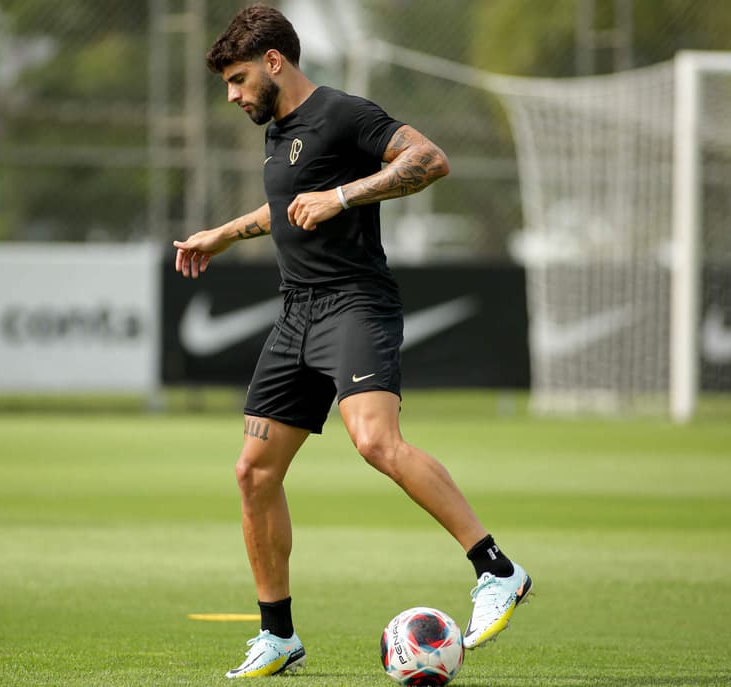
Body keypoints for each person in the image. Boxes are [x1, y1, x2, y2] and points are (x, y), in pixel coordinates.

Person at [173, 4, 531, 679]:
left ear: (275, 61)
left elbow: (430, 159)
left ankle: (497, 570)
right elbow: (286, 207)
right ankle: (277, 634)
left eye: (240, 79)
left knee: (374, 441)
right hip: (296, 316)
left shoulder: (342, 113)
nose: (233, 94)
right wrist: (222, 234)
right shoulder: (276, 130)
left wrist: (341, 197)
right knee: (253, 472)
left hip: (355, 306)